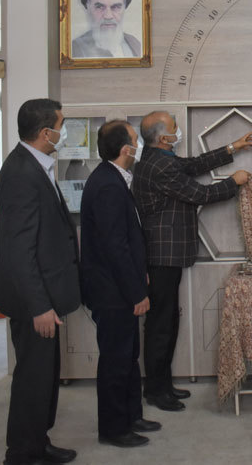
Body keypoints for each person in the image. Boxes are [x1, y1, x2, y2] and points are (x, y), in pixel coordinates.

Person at [132, 111, 252, 411]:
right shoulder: (160, 166)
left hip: (166, 255)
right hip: (162, 255)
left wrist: (232, 148)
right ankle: (156, 391)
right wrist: (234, 182)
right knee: (161, 324)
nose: (178, 131)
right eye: (174, 128)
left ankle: (162, 385)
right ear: (164, 137)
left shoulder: (158, 158)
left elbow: (192, 165)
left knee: (167, 320)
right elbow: (201, 194)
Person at [0, 98, 81, 465]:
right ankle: (22, 454)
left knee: (44, 376)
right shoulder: (20, 173)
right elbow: (18, 249)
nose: (64, 132)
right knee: (32, 377)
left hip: (46, 294)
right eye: (62, 125)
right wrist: (39, 306)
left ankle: (37, 442)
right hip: (34, 301)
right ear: (46, 132)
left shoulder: (36, 165)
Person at [80, 120, 159, 449]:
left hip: (119, 285)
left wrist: (140, 274)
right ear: (127, 149)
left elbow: (127, 237)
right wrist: (136, 292)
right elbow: (115, 247)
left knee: (129, 356)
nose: (139, 145)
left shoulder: (114, 178)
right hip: (112, 291)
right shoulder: (108, 186)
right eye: (135, 140)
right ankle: (114, 428)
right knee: (116, 359)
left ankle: (131, 415)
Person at [71, 0, 141, 59]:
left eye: (116, 7)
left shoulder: (135, 44)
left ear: (125, 7)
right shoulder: (74, 50)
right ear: (87, 7)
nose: (108, 16)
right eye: (100, 7)